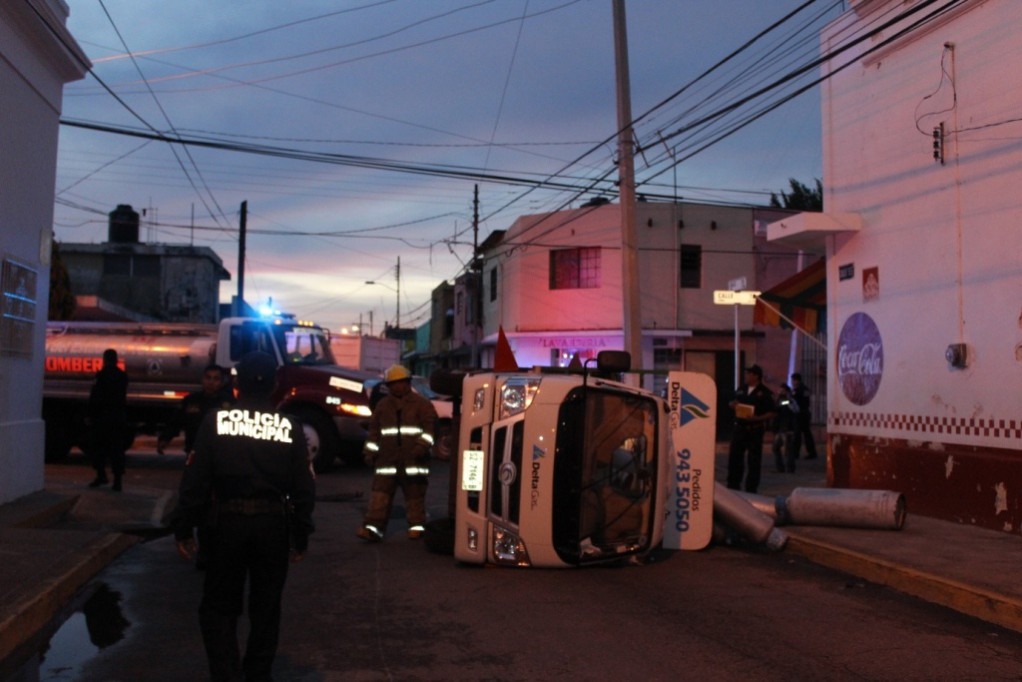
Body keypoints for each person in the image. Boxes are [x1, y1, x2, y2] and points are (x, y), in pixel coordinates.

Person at [173, 351, 315, 682]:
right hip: (272, 528)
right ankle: (257, 676)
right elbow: (303, 488)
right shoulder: (290, 427)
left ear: (236, 383)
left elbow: (195, 482)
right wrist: (301, 533)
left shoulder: (216, 422)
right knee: (266, 611)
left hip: (226, 527)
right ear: (275, 384)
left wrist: (183, 527)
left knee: (219, 608)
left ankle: (226, 674)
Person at [159, 364, 235, 569]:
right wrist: (165, 439)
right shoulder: (191, 402)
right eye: (208, 378)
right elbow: (176, 423)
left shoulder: (228, 404)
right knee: (195, 504)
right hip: (196, 463)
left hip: (221, 464)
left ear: (222, 381)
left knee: (217, 507)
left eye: (216, 378)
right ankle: (198, 545)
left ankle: (215, 549)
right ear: (203, 379)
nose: (211, 382)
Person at [357, 364, 437, 542]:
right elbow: (374, 432)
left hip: (414, 461)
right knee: (379, 496)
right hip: (387, 461)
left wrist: (420, 448)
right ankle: (372, 529)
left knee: (415, 497)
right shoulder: (383, 406)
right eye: (393, 383)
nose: (398, 386)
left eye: (401, 383)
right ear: (389, 385)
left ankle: (417, 527)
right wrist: (369, 453)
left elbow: (430, 430)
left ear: (408, 383)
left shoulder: (422, 405)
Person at [726, 364, 776, 494]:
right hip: (739, 428)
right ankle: (733, 485)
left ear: (756, 376)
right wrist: (733, 405)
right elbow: (732, 401)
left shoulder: (765, 393)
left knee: (754, 460)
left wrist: (757, 418)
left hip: (754, 429)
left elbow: (773, 412)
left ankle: (751, 488)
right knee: (735, 457)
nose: (745, 376)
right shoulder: (741, 389)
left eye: (748, 374)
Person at [86, 348, 130, 491]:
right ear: (116, 360)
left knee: (98, 447)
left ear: (104, 360)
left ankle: (101, 475)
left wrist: (90, 415)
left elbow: (95, 397)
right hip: (117, 417)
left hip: (102, 417)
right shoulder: (122, 376)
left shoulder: (101, 375)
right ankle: (117, 481)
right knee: (116, 449)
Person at [790, 372, 819, 460]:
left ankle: (797, 453)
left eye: (793, 380)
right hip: (802, 413)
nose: (792, 382)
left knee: (799, 434)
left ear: (796, 380)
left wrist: (786, 402)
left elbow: (800, 402)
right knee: (805, 433)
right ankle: (811, 452)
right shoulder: (801, 389)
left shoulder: (799, 390)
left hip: (801, 414)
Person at [772, 384, 798, 474]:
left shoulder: (790, 401)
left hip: (787, 428)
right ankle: (781, 468)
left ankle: (789, 469)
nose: (780, 392)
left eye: (782, 391)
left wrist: (786, 401)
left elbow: (796, 409)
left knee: (788, 450)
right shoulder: (781, 400)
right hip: (780, 428)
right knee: (776, 448)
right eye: (780, 391)